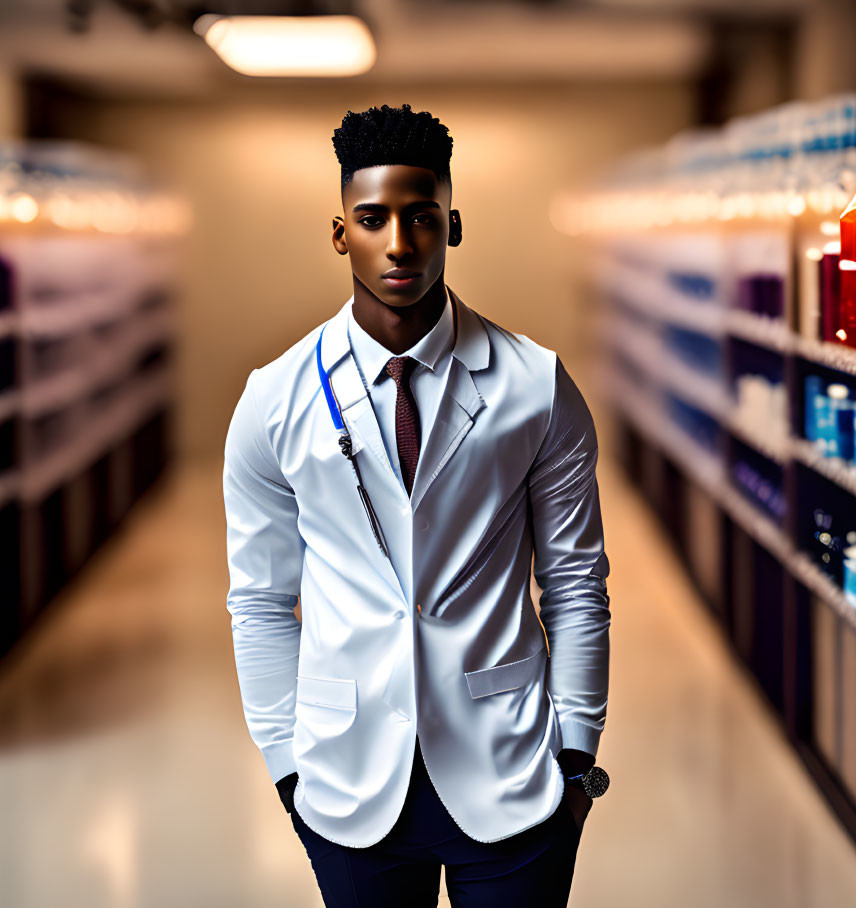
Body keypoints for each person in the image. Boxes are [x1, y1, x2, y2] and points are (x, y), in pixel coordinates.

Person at [223, 102, 611, 908]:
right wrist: (288, 769)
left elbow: (575, 586)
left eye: (420, 218)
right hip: (346, 778)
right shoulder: (273, 399)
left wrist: (575, 759)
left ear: (452, 225)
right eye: (371, 219)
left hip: (512, 776)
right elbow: (260, 601)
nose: (398, 244)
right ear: (339, 232)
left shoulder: (533, 386)